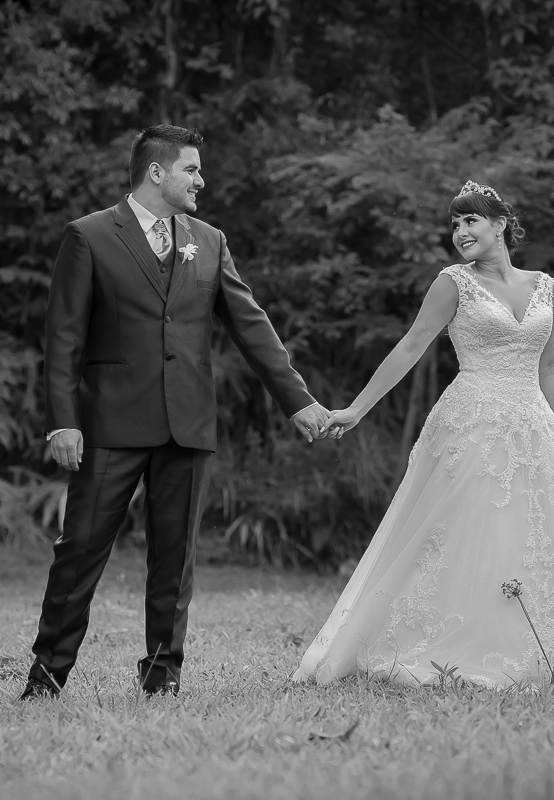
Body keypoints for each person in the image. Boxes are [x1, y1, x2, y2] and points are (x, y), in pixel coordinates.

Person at [294, 181, 554, 689]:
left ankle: (549, 650)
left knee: (539, 536)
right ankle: (465, 648)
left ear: (500, 225)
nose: (460, 232)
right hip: (472, 424)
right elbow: (411, 347)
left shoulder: (544, 286)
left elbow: (550, 369)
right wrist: (356, 410)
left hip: (535, 426)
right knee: (468, 535)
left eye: (470, 220)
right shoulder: (453, 283)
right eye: (454, 224)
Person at [21, 125, 334, 700]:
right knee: (80, 550)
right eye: (191, 169)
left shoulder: (208, 240)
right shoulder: (89, 236)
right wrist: (64, 420)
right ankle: (46, 677)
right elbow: (62, 338)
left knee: (175, 560)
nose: (201, 180)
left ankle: (162, 677)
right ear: (157, 172)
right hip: (110, 423)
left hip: (187, 423)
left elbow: (251, 326)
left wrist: (300, 401)